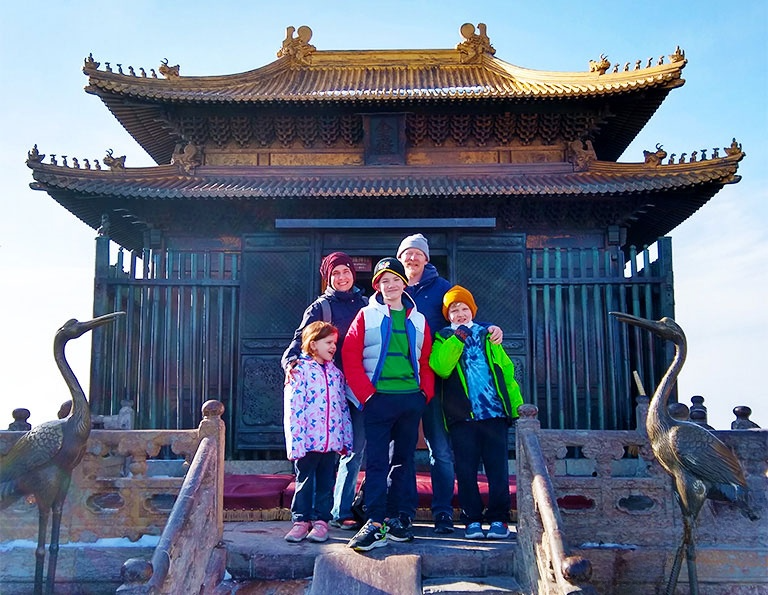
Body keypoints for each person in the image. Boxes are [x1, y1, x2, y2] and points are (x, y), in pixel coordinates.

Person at [397, 233, 504, 534]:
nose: (412, 258)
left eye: (418, 253)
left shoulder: (441, 288)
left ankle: (442, 511)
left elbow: (462, 316)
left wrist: (490, 327)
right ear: (401, 258)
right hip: (400, 380)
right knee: (401, 450)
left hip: (435, 379)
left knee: (441, 451)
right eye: (407, 254)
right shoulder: (393, 287)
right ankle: (402, 510)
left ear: (426, 258)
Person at [342, 257, 435, 551]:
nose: (390, 285)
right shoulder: (366, 316)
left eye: (395, 279)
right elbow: (350, 356)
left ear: (404, 284)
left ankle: (397, 518)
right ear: (377, 286)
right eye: (384, 281)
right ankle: (374, 521)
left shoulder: (418, 319)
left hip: (410, 398)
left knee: (403, 461)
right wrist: (367, 395)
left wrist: (424, 394)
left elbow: (426, 360)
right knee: (376, 462)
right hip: (378, 398)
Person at [281, 251, 368, 530]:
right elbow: (300, 339)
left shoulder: (366, 304)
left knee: (354, 448)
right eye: (336, 274)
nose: (342, 278)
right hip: (325, 383)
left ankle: (341, 510)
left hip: (357, 384)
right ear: (328, 278)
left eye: (346, 272)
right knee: (319, 455)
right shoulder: (320, 307)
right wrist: (290, 362)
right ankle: (314, 515)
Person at [429, 285, 523, 539]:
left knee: (497, 470)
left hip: (494, 413)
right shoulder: (443, 338)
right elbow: (441, 367)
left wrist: (515, 407)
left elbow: (506, 371)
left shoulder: (488, 335)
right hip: (462, 416)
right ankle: (471, 518)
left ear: (473, 310)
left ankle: (499, 518)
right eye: (454, 310)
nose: (460, 314)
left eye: (464, 308)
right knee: (466, 470)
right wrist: (457, 338)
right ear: (448, 315)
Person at [283, 321, 353, 543]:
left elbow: (342, 408)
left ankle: (322, 521)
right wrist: (296, 442)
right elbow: (293, 409)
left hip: (330, 442)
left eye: (335, 343)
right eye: (328, 342)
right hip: (308, 441)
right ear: (313, 344)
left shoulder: (336, 374)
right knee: (304, 480)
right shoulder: (299, 372)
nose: (334, 347)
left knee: (325, 482)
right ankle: (301, 521)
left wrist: (345, 438)